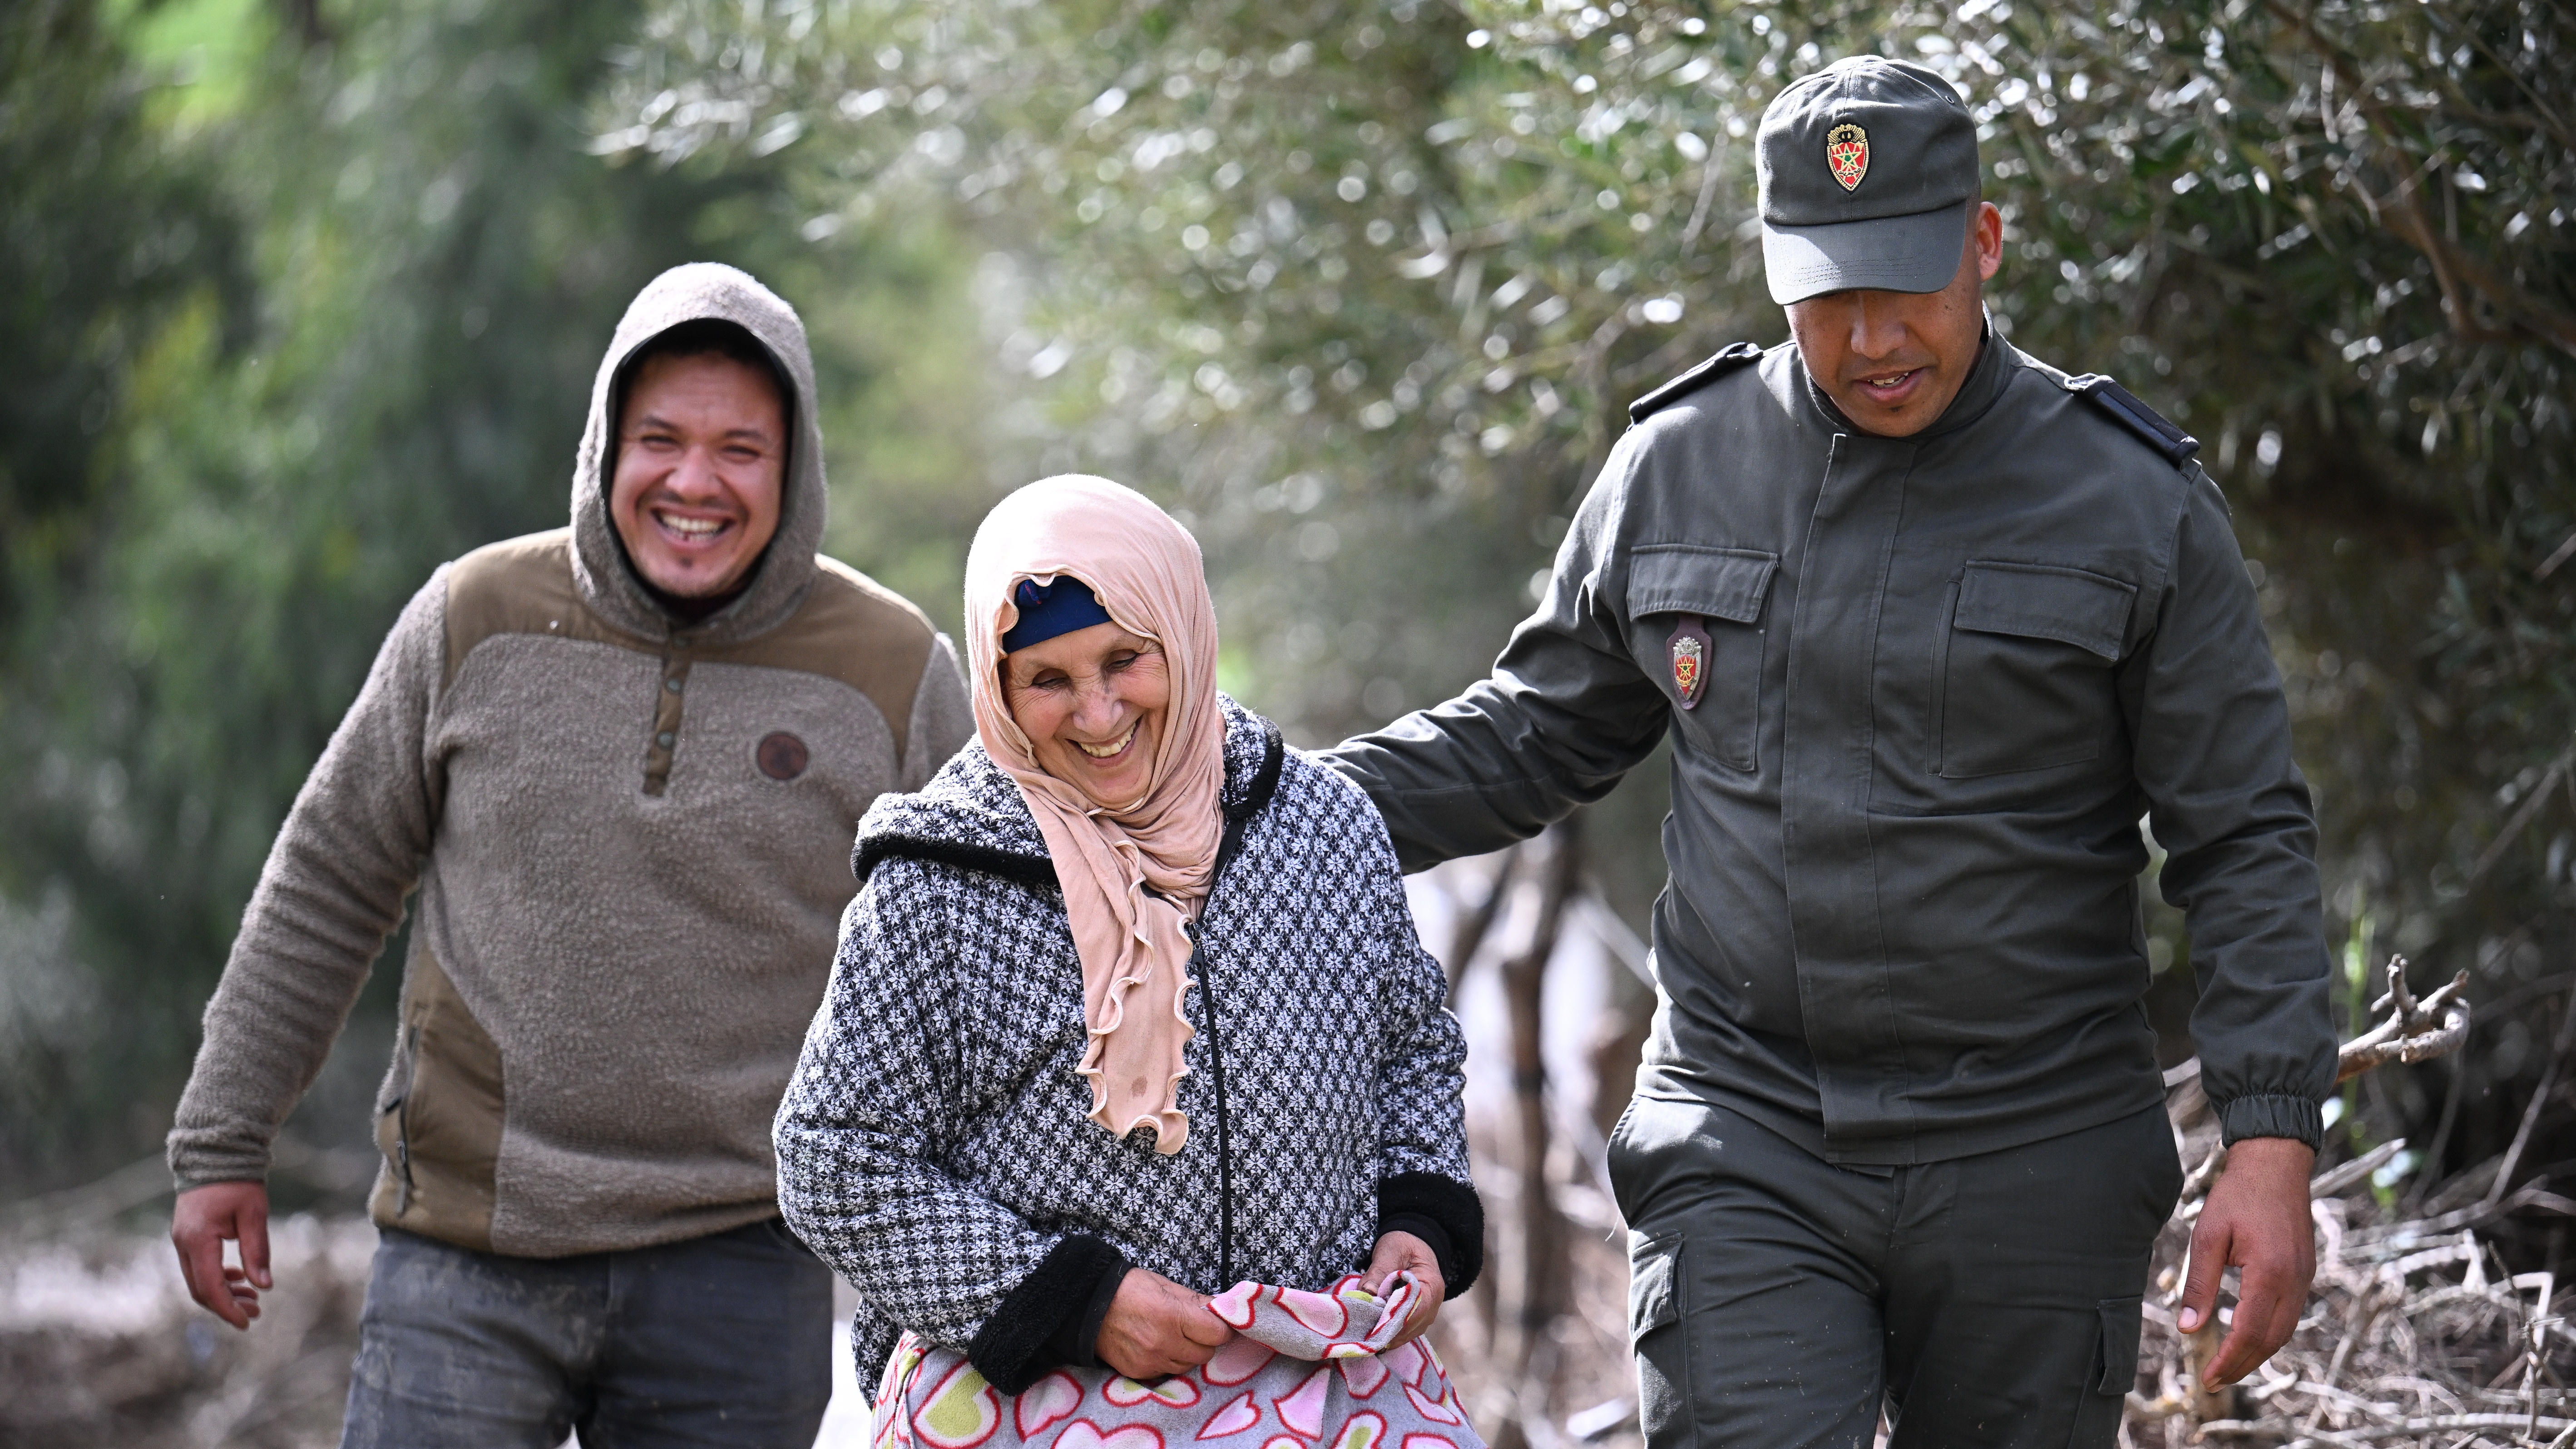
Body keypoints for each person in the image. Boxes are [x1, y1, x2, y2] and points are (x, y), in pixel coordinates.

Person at [1320, 56, 2335, 1449]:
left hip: (2035, 1151)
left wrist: (2271, 1136)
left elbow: (2243, 837)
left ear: (1984, 242)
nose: (1872, 340)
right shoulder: (1677, 469)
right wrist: (1268, 803)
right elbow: (1532, 734)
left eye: (1907, 285)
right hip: (1749, 1133)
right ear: (1774, 269)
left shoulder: (2130, 503)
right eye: (1829, 295)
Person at [164, 262, 974, 1449]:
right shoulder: (472, 618)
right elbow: (328, 884)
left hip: (746, 1260)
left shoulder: (893, 671)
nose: (693, 482)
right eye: (661, 439)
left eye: (740, 449)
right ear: (606, 444)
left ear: (794, 471)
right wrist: (224, 1141)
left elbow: (986, 955)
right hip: (470, 1252)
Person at [774, 475, 1484, 1442]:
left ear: (1182, 639)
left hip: (1319, 1397)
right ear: (998, 686)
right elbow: (833, 1157)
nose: (1098, 715)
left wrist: (1419, 1217)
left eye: (1124, 661)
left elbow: (1409, 1050)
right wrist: (1074, 1301)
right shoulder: (938, 882)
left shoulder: (1322, 826)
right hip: (1038, 1410)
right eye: (1048, 681)